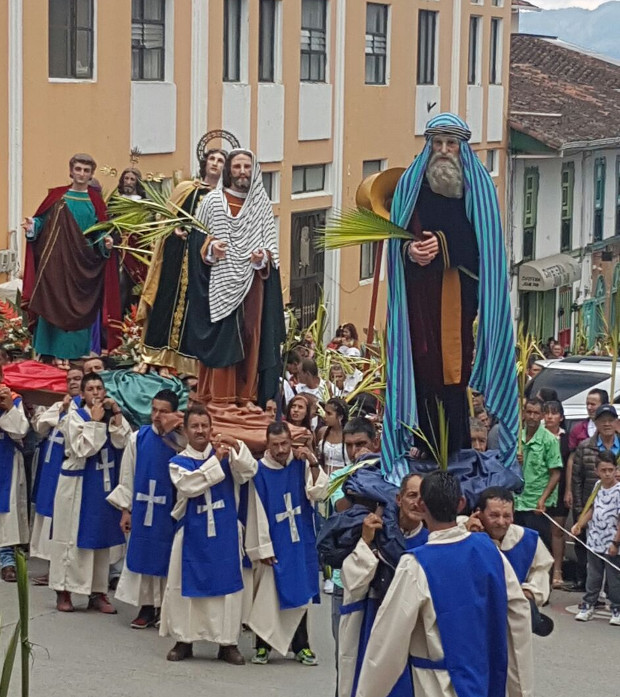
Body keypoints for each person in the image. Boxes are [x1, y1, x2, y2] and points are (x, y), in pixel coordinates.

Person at [383, 113, 517, 484]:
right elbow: (396, 241)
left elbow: (484, 251)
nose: (443, 151)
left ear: (461, 148)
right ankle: (420, 443)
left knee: (452, 370)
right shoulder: (411, 187)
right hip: (418, 295)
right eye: (437, 143)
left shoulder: (479, 189)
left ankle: (454, 446)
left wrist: (442, 246)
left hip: (456, 292)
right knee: (421, 364)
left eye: (450, 144)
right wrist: (411, 253)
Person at [355, 471, 533, 697]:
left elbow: (388, 641)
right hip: (483, 677)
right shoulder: (490, 550)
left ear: (421, 505)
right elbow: (517, 613)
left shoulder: (416, 564)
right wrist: (519, 690)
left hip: (437, 685)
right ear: (461, 503)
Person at [159, 405, 257, 663]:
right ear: (186, 430)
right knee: (184, 587)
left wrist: (235, 445)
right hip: (191, 533)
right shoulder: (178, 462)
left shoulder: (227, 456)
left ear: (212, 428)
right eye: (195, 426)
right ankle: (184, 639)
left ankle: (227, 643)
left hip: (224, 533)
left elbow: (249, 471)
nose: (201, 431)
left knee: (228, 590)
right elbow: (190, 485)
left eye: (205, 426)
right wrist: (216, 460)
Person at [193, 149, 285, 407]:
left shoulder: (261, 204)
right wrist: (211, 248)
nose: (242, 172)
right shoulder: (212, 201)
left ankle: (246, 396)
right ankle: (216, 395)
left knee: (250, 335)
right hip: (219, 280)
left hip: (252, 282)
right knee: (223, 335)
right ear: (228, 171)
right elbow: (196, 239)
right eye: (237, 167)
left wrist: (262, 257)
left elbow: (272, 247)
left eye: (247, 166)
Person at [21, 153, 120, 361]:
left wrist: (106, 242)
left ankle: (71, 355)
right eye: (78, 169)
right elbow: (42, 221)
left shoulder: (95, 202)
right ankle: (48, 353)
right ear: (71, 171)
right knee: (53, 304)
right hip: (56, 265)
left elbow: (100, 230)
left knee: (78, 308)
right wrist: (33, 227)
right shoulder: (58, 197)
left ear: (91, 174)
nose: (81, 174)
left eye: (86, 170)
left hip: (82, 266)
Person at [338, 473, 429, 697]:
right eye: (411, 495)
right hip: (375, 620)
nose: (417, 502)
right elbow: (352, 581)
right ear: (398, 499)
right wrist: (366, 542)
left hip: (414, 632)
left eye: (423, 497)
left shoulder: (431, 540)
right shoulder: (377, 532)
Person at [245, 421, 328, 666]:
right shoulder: (259, 471)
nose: (281, 450)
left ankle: (301, 646)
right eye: (275, 445)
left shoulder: (302, 463)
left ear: (291, 440)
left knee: (300, 594)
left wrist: (313, 461)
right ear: (267, 445)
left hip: (299, 538)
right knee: (267, 596)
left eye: (285, 443)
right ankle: (262, 646)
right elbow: (256, 511)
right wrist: (263, 547)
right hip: (274, 541)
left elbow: (319, 493)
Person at [138, 147, 227, 374]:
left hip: (203, 262)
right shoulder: (186, 189)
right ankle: (155, 356)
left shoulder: (225, 198)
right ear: (205, 163)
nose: (215, 163)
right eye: (212, 159)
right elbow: (165, 219)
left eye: (220, 161)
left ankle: (184, 363)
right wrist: (174, 229)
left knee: (194, 308)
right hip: (176, 256)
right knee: (166, 300)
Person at [49, 372, 132, 613]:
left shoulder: (108, 415)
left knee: (100, 538)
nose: (96, 392)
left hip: (101, 484)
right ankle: (64, 590)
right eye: (91, 389)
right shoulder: (73, 417)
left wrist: (115, 414)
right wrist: (95, 422)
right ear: (83, 394)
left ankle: (98, 592)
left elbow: (122, 442)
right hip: (76, 484)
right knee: (70, 539)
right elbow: (83, 448)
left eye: (99, 388)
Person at [107, 390, 184, 629]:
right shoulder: (138, 438)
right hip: (144, 506)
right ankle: (147, 607)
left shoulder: (181, 441)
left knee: (169, 556)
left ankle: (167, 607)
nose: (157, 416)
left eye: (163, 411)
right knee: (144, 554)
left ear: (174, 413)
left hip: (170, 509)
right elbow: (127, 475)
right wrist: (125, 510)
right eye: (154, 410)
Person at [465, 487, 553, 627]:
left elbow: (541, 570)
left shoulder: (528, 539)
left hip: (514, 618)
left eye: (507, 516)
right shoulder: (464, 533)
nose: (501, 522)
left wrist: (528, 593)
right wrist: (469, 533)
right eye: (493, 515)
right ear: (479, 514)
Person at [30, 367, 83, 574]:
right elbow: (40, 426)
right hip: (50, 467)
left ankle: (62, 568)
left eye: (77, 378)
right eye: (69, 379)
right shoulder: (59, 405)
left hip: (67, 469)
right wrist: (62, 408)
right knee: (48, 515)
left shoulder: (85, 408)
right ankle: (52, 566)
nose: (72, 382)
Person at [571, 403, 620, 591]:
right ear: (595, 422)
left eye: (610, 420)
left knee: (615, 558)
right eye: (602, 421)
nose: (607, 424)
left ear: (616, 422)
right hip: (594, 508)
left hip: (617, 510)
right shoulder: (585, 447)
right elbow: (576, 479)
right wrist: (578, 510)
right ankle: (591, 595)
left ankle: (614, 598)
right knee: (593, 557)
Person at [572, 450, 620, 625]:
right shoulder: (598, 486)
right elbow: (592, 509)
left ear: (616, 469)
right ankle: (588, 604)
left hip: (612, 542)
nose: (607, 473)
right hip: (594, 540)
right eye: (603, 470)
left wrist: (616, 542)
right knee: (593, 575)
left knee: (614, 578)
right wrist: (580, 524)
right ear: (597, 471)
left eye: (610, 469)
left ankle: (617, 607)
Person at [514, 398, 563, 551]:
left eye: (536, 413)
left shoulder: (549, 440)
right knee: (517, 547)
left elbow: (555, 473)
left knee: (539, 549)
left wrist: (542, 499)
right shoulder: (517, 437)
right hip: (517, 502)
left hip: (536, 505)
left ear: (542, 415)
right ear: (523, 413)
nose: (532, 417)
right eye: (529, 412)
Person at [0, 374, 30, 582]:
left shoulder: (13, 398)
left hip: (7, 459)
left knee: (7, 513)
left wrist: (9, 407)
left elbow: (20, 431)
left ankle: (6, 560)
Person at [542, 400, 570, 588]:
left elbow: (569, 465)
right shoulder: (537, 436)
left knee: (557, 531)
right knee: (541, 531)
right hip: (539, 489)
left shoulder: (566, 439)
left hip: (559, 489)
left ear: (561, 417)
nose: (550, 416)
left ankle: (557, 570)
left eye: (554, 413)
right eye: (547, 413)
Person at [317, 398, 350, 476]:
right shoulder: (322, 432)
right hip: (324, 479)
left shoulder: (350, 435)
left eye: (329, 413)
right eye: (325, 412)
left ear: (340, 417)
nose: (325, 416)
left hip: (343, 480)